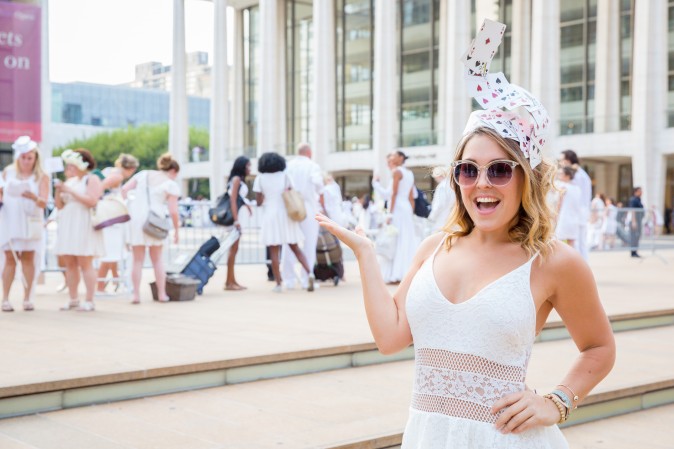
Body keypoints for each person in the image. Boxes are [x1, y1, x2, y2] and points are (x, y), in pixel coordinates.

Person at [123, 153, 181, 304]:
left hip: (137, 219)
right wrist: (176, 230)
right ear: (173, 171)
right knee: (157, 259)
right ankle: (162, 294)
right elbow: (174, 211)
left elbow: (124, 190)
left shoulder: (143, 174)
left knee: (137, 260)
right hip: (156, 221)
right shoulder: (171, 184)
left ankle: (136, 295)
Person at [253, 152, 314, 293]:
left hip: (271, 215)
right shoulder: (285, 176)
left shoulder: (260, 178)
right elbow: (292, 192)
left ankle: (279, 283)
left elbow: (259, 202)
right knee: (295, 248)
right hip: (286, 215)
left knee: (274, 252)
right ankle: (310, 274)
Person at [0, 136, 49, 312]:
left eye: (30, 158)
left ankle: (28, 298)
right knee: (9, 259)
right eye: (23, 157)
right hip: (10, 220)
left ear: (35, 158)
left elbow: (44, 202)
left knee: (28, 259)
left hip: (30, 221)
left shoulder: (42, 176)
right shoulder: (8, 172)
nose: (26, 161)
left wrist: (33, 197)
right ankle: (5, 298)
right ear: (18, 157)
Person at [54, 149, 104, 312]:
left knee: (85, 262)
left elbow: (92, 201)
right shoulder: (70, 181)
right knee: (70, 263)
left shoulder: (92, 179)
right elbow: (59, 205)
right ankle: (73, 298)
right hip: (68, 223)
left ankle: (90, 299)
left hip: (83, 223)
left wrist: (70, 191)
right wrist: (59, 190)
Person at [281, 143, 323, 291]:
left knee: (289, 243)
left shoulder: (288, 165)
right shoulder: (313, 166)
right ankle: (306, 278)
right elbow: (319, 184)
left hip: (291, 207)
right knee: (309, 244)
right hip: (308, 207)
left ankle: (289, 279)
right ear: (309, 152)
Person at [96, 154, 139, 293]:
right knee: (110, 253)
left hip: (110, 217)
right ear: (130, 168)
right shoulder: (117, 176)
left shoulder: (111, 171)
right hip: (111, 218)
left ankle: (115, 279)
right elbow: (100, 189)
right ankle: (100, 286)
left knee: (112, 253)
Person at [374, 151, 418, 284]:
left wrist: (390, 214)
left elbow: (393, 194)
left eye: (393, 156)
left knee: (395, 239)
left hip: (398, 208)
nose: (391, 158)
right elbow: (412, 197)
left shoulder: (397, 172)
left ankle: (396, 274)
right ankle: (406, 273)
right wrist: (411, 212)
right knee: (405, 240)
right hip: (406, 209)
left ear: (400, 158)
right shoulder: (410, 173)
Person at [223, 155, 252, 291]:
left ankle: (231, 280)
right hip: (236, 220)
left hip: (238, 218)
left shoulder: (237, 180)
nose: (249, 169)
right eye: (248, 166)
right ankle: (229, 282)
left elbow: (238, 198)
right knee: (233, 251)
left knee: (234, 250)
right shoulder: (236, 180)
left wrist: (247, 205)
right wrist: (236, 220)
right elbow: (233, 200)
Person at [559, 150, 592, 260]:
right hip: (580, 212)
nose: (561, 162)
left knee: (577, 243)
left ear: (568, 160)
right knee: (579, 243)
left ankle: (581, 270)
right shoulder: (581, 174)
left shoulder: (575, 176)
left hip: (575, 213)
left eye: (562, 160)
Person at [553, 166, 582, 248]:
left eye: (560, 174)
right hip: (574, 219)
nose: (559, 175)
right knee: (571, 243)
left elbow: (559, 203)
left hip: (564, 218)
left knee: (559, 243)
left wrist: (555, 216)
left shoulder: (563, 187)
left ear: (567, 176)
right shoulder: (577, 188)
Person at [427, 166, 456, 232]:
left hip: (441, 220)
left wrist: (431, 217)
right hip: (451, 219)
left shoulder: (442, 186)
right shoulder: (452, 185)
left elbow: (439, 205)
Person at [627, 186, 644, 258]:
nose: (641, 192)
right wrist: (634, 221)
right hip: (635, 221)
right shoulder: (633, 200)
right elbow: (633, 211)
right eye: (640, 191)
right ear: (636, 192)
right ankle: (633, 252)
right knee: (634, 236)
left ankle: (635, 251)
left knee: (637, 236)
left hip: (638, 221)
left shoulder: (638, 199)